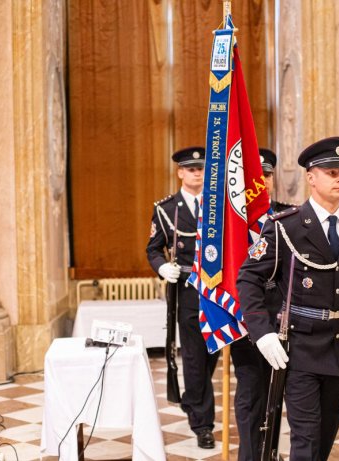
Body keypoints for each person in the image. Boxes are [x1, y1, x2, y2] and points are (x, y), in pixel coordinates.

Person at [237, 136, 339, 460]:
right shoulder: (285, 227)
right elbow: (249, 277)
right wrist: (262, 331)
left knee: (323, 441)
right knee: (305, 442)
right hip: (301, 350)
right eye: (331, 172)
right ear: (311, 177)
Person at [146, 146, 218, 449]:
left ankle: (192, 398)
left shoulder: (217, 205)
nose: (197, 173)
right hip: (186, 289)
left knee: (211, 352)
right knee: (194, 355)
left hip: (216, 289)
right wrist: (163, 267)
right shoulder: (166, 209)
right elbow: (152, 248)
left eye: (201, 168)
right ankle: (203, 424)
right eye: (191, 169)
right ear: (180, 172)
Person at [228, 147, 290, 461]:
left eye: (266, 175)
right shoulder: (231, 223)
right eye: (256, 176)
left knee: (280, 393)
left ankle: (272, 452)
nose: (262, 182)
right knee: (251, 392)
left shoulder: (289, 216)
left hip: (284, 318)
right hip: (246, 318)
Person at [261, 147, 296, 213]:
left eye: (267, 175)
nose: (263, 181)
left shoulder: (288, 213)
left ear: (272, 178)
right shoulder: (240, 216)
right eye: (258, 177)